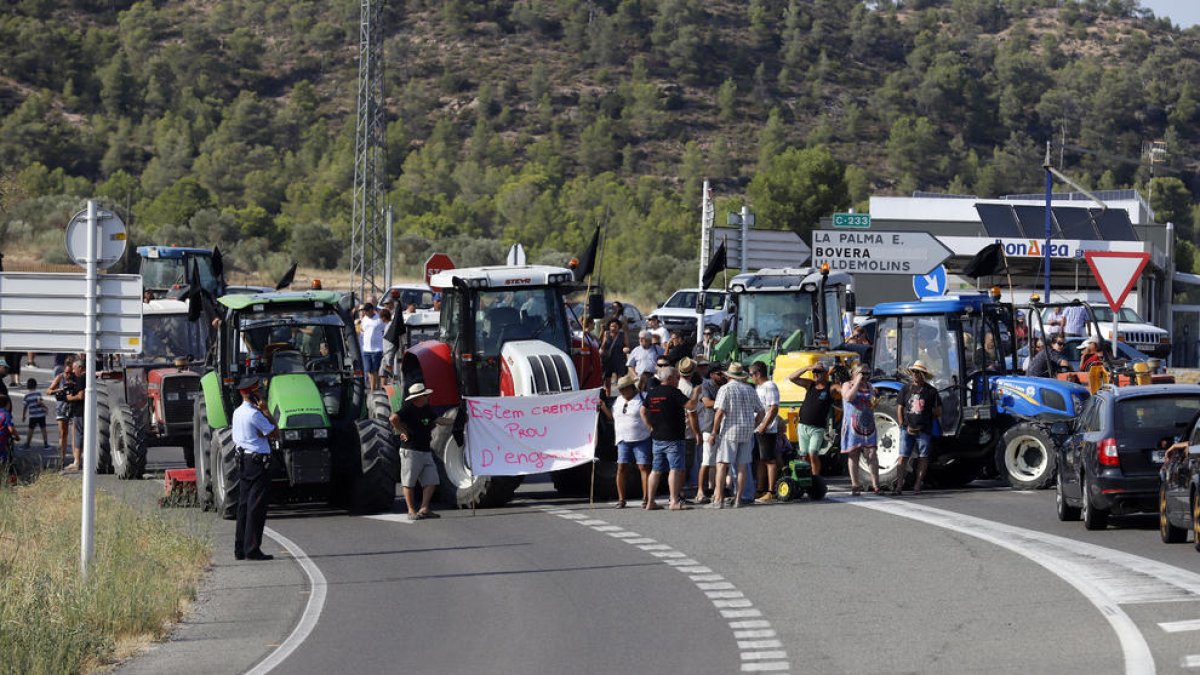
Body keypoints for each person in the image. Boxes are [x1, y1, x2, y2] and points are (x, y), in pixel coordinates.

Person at [231, 376, 278, 561]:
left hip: (243, 460)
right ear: (253, 394)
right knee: (255, 507)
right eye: (258, 391)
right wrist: (266, 411)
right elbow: (275, 432)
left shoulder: (237, 412)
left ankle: (240, 548)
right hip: (258, 462)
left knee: (243, 505)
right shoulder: (255, 414)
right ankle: (252, 549)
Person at [641, 366, 698, 510]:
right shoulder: (674, 392)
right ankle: (674, 501)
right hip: (674, 436)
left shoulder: (652, 393)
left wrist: (650, 427)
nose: (678, 380)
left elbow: (642, 410)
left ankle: (650, 501)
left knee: (656, 470)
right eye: (677, 377)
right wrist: (696, 393)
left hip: (657, 436)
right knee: (675, 469)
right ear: (670, 378)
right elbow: (691, 405)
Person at [710, 362, 763, 509]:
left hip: (729, 430)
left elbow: (719, 412)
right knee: (742, 466)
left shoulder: (725, 389)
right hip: (746, 431)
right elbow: (761, 411)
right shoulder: (749, 389)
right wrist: (754, 425)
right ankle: (738, 499)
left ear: (729, 376)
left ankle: (718, 499)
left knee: (722, 464)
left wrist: (714, 432)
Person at [390, 383, 441, 520]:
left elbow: (438, 420)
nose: (428, 397)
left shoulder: (426, 408)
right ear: (418, 397)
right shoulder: (408, 409)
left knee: (432, 480)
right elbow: (393, 418)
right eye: (425, 395)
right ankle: (411, 510)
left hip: (425, 450)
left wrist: (456, 420)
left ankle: (424, 508)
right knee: (409, 482)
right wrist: (402, 431)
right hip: (411, 450)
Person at [894, 360, 941, 495]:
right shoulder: (905, 389)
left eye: (918, 372)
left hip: (924, 429)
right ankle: (898, 485)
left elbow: (938, 411)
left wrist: (927, 413)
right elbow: (899, 407)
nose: (915, 375)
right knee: (903, 456)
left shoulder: (931, 391)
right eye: (914, 372)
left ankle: (917, 485)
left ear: (923, 375)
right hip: (907, 428)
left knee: (923, 457)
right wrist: (902, 424)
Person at [787, 362, 835, 482]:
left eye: (818, 372)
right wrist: (808, 368)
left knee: (813, 453)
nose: (815, 374)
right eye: (814, 372)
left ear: (825, 374)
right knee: (803, 455)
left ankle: (815, 479)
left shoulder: (830, 387)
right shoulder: (810, 384)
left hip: (817, 428)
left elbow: (841, 389)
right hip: (803, 426)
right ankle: (804, 478)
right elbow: (792, 378)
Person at [611, 374, 652, 509]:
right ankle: (621, 499)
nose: (621, 392)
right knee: (621, 468)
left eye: (624, 389)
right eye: (620, 389)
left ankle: (646, 498)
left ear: (631, 387)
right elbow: (613, 417)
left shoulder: (643, 397)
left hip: (641, 438)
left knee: (643, 467)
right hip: (622, 439)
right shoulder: (618, 400)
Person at [840, 364, 880, 495]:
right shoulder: (847, 384)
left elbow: (872, 403)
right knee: (853, 454)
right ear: (854, 373)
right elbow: (848, 397)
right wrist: (857, 382)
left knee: (872, 453)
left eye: (867, 374)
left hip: (868, 424)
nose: (865, 376)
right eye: (862, 373)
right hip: (852, 424)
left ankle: (876, 484)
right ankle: (855, 484)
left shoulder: (870, 387)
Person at [692, 361, 724, 504]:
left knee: (720, 461)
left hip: (724, 427)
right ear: (712, 375)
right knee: (706, 461)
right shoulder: (707, 385)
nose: (722, 375)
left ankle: (717, 489)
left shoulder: (725, 385)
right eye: (719, 373)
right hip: (709, 427)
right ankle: (700, 490)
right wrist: (724, 403)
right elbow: (706, 403)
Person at [750, 361, 781, 503]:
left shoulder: (770, 386)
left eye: (752, 374)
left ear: (758, 373)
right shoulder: (759, 387)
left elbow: (773, 408)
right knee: (759, 460)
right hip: (757, 429)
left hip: (767, 430)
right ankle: (760, 489)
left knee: (769, 460)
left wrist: (764, 425)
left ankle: (771, 491)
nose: (751, 377)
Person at [46, 356, 74, 469]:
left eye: (70, 373)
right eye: (66, 372)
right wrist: (58, 390)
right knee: (63, 434)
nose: (68, 375)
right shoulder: (60, 377)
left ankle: (75, 459)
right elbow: (48, 391)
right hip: (61, 408)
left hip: (73, 408)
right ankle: (62, 459)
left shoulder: (76, 378)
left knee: (74, 435)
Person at [63, 361, 86, 473]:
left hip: (80, 412)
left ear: (80, 368)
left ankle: (76, 462)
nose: (73, 371)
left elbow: (81, 396)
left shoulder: (82, 378)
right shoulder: (90, 377)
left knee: (78, 436)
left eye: (74, 368)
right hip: (86, 411)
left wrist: (69, 398)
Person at [358, 303, 385, 391]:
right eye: (364, 311)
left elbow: (384, 330)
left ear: (371, 310)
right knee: (369, 370)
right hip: (366, 349)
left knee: (375, 370)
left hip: (377, 349)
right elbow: (362, 330)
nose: (365, 313)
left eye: (366, 311)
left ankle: (374, 389)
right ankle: (373, 388)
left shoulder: (379, 319)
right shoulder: (364, 319)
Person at [600, 319, 627, 391]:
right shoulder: (606, 333)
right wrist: (601, 350)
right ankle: (607, 396)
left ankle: (621, 395)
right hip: (608, 360)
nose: (613, 328)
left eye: (615, 326)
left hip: (619, 359)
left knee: (620, 380)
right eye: (612, 326)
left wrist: (626, 349)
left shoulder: (622, 335)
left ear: (618, 327)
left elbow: (626, 345)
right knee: (607, 379)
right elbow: (603, 345)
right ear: (609, 327)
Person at [21, 378, 48, 449]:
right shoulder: (38, 393)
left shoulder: (26, 396)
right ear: (36, 385)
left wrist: (24, 416)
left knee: (31, 429)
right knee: (43, 429)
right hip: (41, 415)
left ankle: (27, 444)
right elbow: (40, 402)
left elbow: (25, 407)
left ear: (27, 386)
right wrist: (45, 408)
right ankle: (45, 444)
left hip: (32, 416)